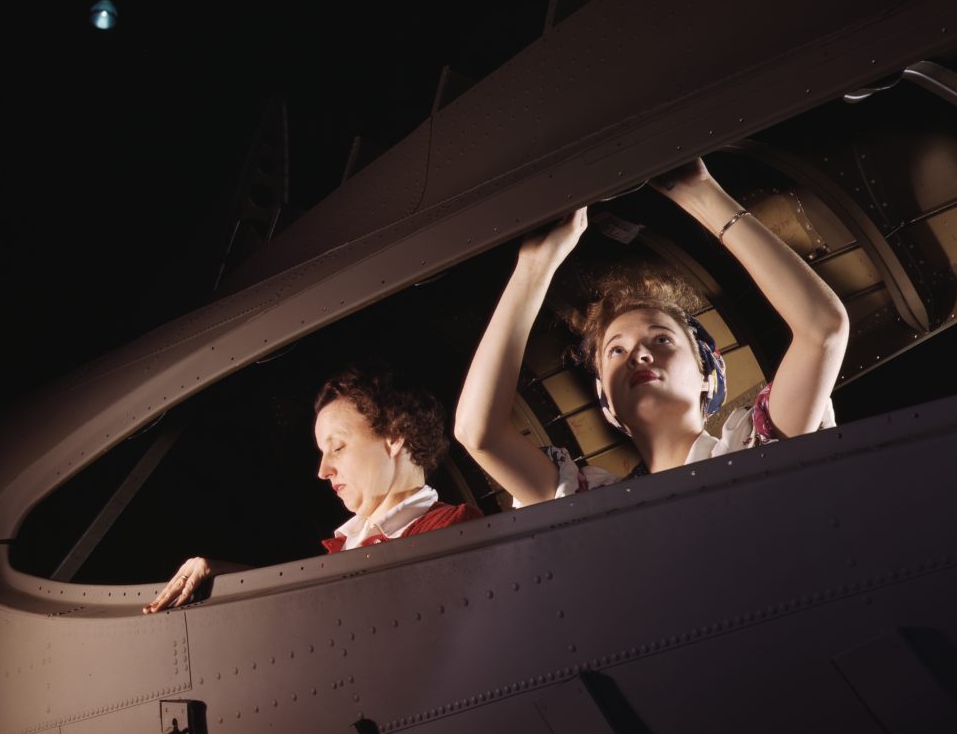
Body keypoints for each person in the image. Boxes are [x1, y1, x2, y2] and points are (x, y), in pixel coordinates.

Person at [454, 157, 849, 507]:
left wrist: (701, 193)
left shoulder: (755, 447)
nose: (639, 355)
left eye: (661, 339)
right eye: (616, 351)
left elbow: (823, 330)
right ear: (607, 403)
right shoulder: (589, 503)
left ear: (707, 376)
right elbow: (478, 433)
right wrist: (534, 266)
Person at [143, 367, 480, 613]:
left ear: (394, 437)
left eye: (337, 447)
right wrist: (222, 575)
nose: (322, 470)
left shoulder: (453, 533)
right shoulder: (349, 546)